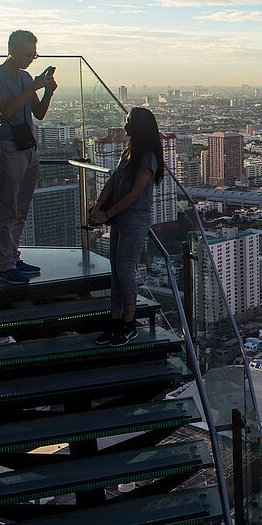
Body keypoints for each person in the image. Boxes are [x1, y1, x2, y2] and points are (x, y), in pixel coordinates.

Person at [0, 30, 57, 284]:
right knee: (5, 209)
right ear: (12, 50)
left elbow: (38, 113)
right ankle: (4, 265)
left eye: (34, 54)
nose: (32, 59)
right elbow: (5, 110)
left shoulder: (27, 77)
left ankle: (13, 257)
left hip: (28, 147)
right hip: (7, 147)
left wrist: (47, 92)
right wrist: (34, 86)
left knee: (21, 208)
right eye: (28, 54)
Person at [89, 107, 163, 347]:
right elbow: (113, 181)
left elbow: (135, 194)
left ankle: (128, 323)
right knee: (116, 272)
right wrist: (99, 208)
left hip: (134, 218)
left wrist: (106, 214)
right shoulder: (127, 153)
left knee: (124, 271)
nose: (125, 124)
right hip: (119, 218)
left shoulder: (148, 156)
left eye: (130, 121)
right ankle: (115, 321)